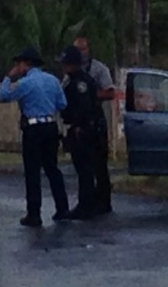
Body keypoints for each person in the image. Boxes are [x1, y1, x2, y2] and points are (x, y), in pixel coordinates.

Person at [0, 47, 69, 227]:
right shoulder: (53, 80)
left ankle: (34, 213)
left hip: (33, 128)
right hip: (51, 126)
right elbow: (62, 103)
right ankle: (62, 208)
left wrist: (8, 77)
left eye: (18, 64)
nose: (17, 67)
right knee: (52, 168)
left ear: (25, 64)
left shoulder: (25, 83)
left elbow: (3, 96)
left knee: (32, 171)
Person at [58, 46, 103, 220]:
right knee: (83, 168)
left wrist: (77, 126)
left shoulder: (80, 83)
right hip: (79, 128)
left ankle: (86, 205)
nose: (64, 67)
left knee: (85, 169)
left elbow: (84, 108)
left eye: (67, 63)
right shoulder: (72, 80)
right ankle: (85, 203)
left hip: (83, 130)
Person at [73, 37, 114, 215]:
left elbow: (110, 92)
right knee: (84, 165)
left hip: (96, 119)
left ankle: (104, 201)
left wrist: (90, 94)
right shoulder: (72, 71)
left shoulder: (99, 69)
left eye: (84, 49)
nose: (82, 53)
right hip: (79, 120)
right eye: (78, 50)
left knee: (100, 164)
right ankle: (87, 201)